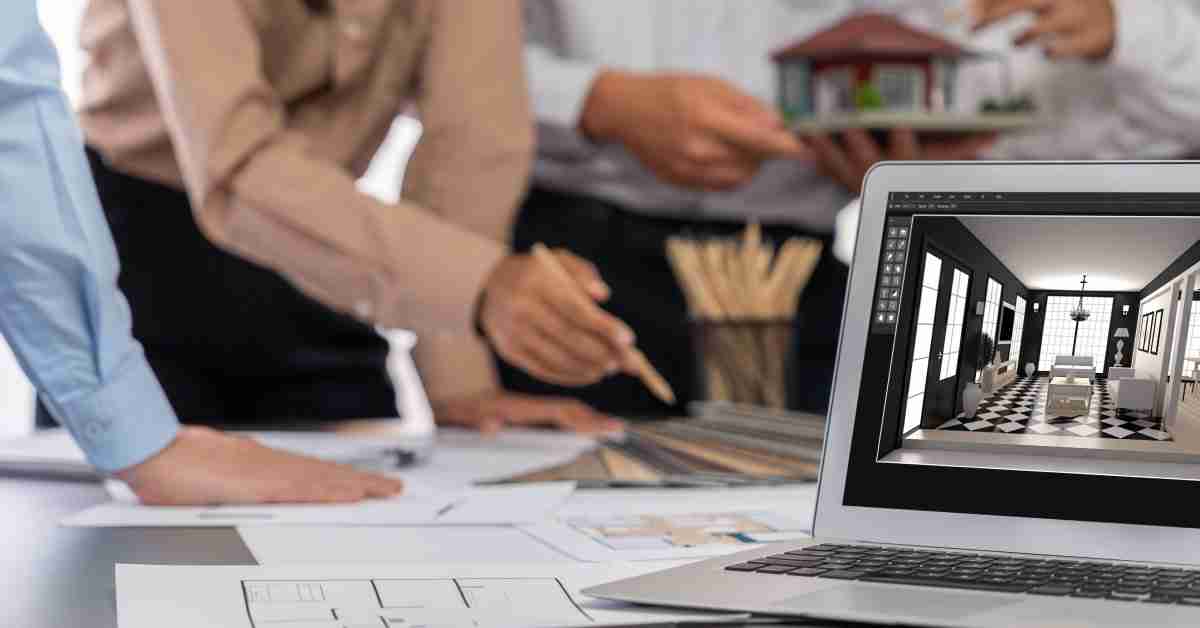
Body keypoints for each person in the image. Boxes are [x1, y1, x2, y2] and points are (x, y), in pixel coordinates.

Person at [513, 0, 1200, 418]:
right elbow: (442, 67)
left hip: (806, 278)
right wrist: (593, 99)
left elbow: (1070, 116)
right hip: (574, 266)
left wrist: (935, 160)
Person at [68, 0, 626, 434]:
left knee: (365, 511)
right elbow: (236, 167)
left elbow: (472, 145)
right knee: (138, 548)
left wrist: (462, 383)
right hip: (139, 248)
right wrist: (481, 287)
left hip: (326, 240)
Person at [1, 0, 404, 505]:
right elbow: (9, 109)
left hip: (323, 246)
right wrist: (140, 440)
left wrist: (464, 361)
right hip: (146, 229)